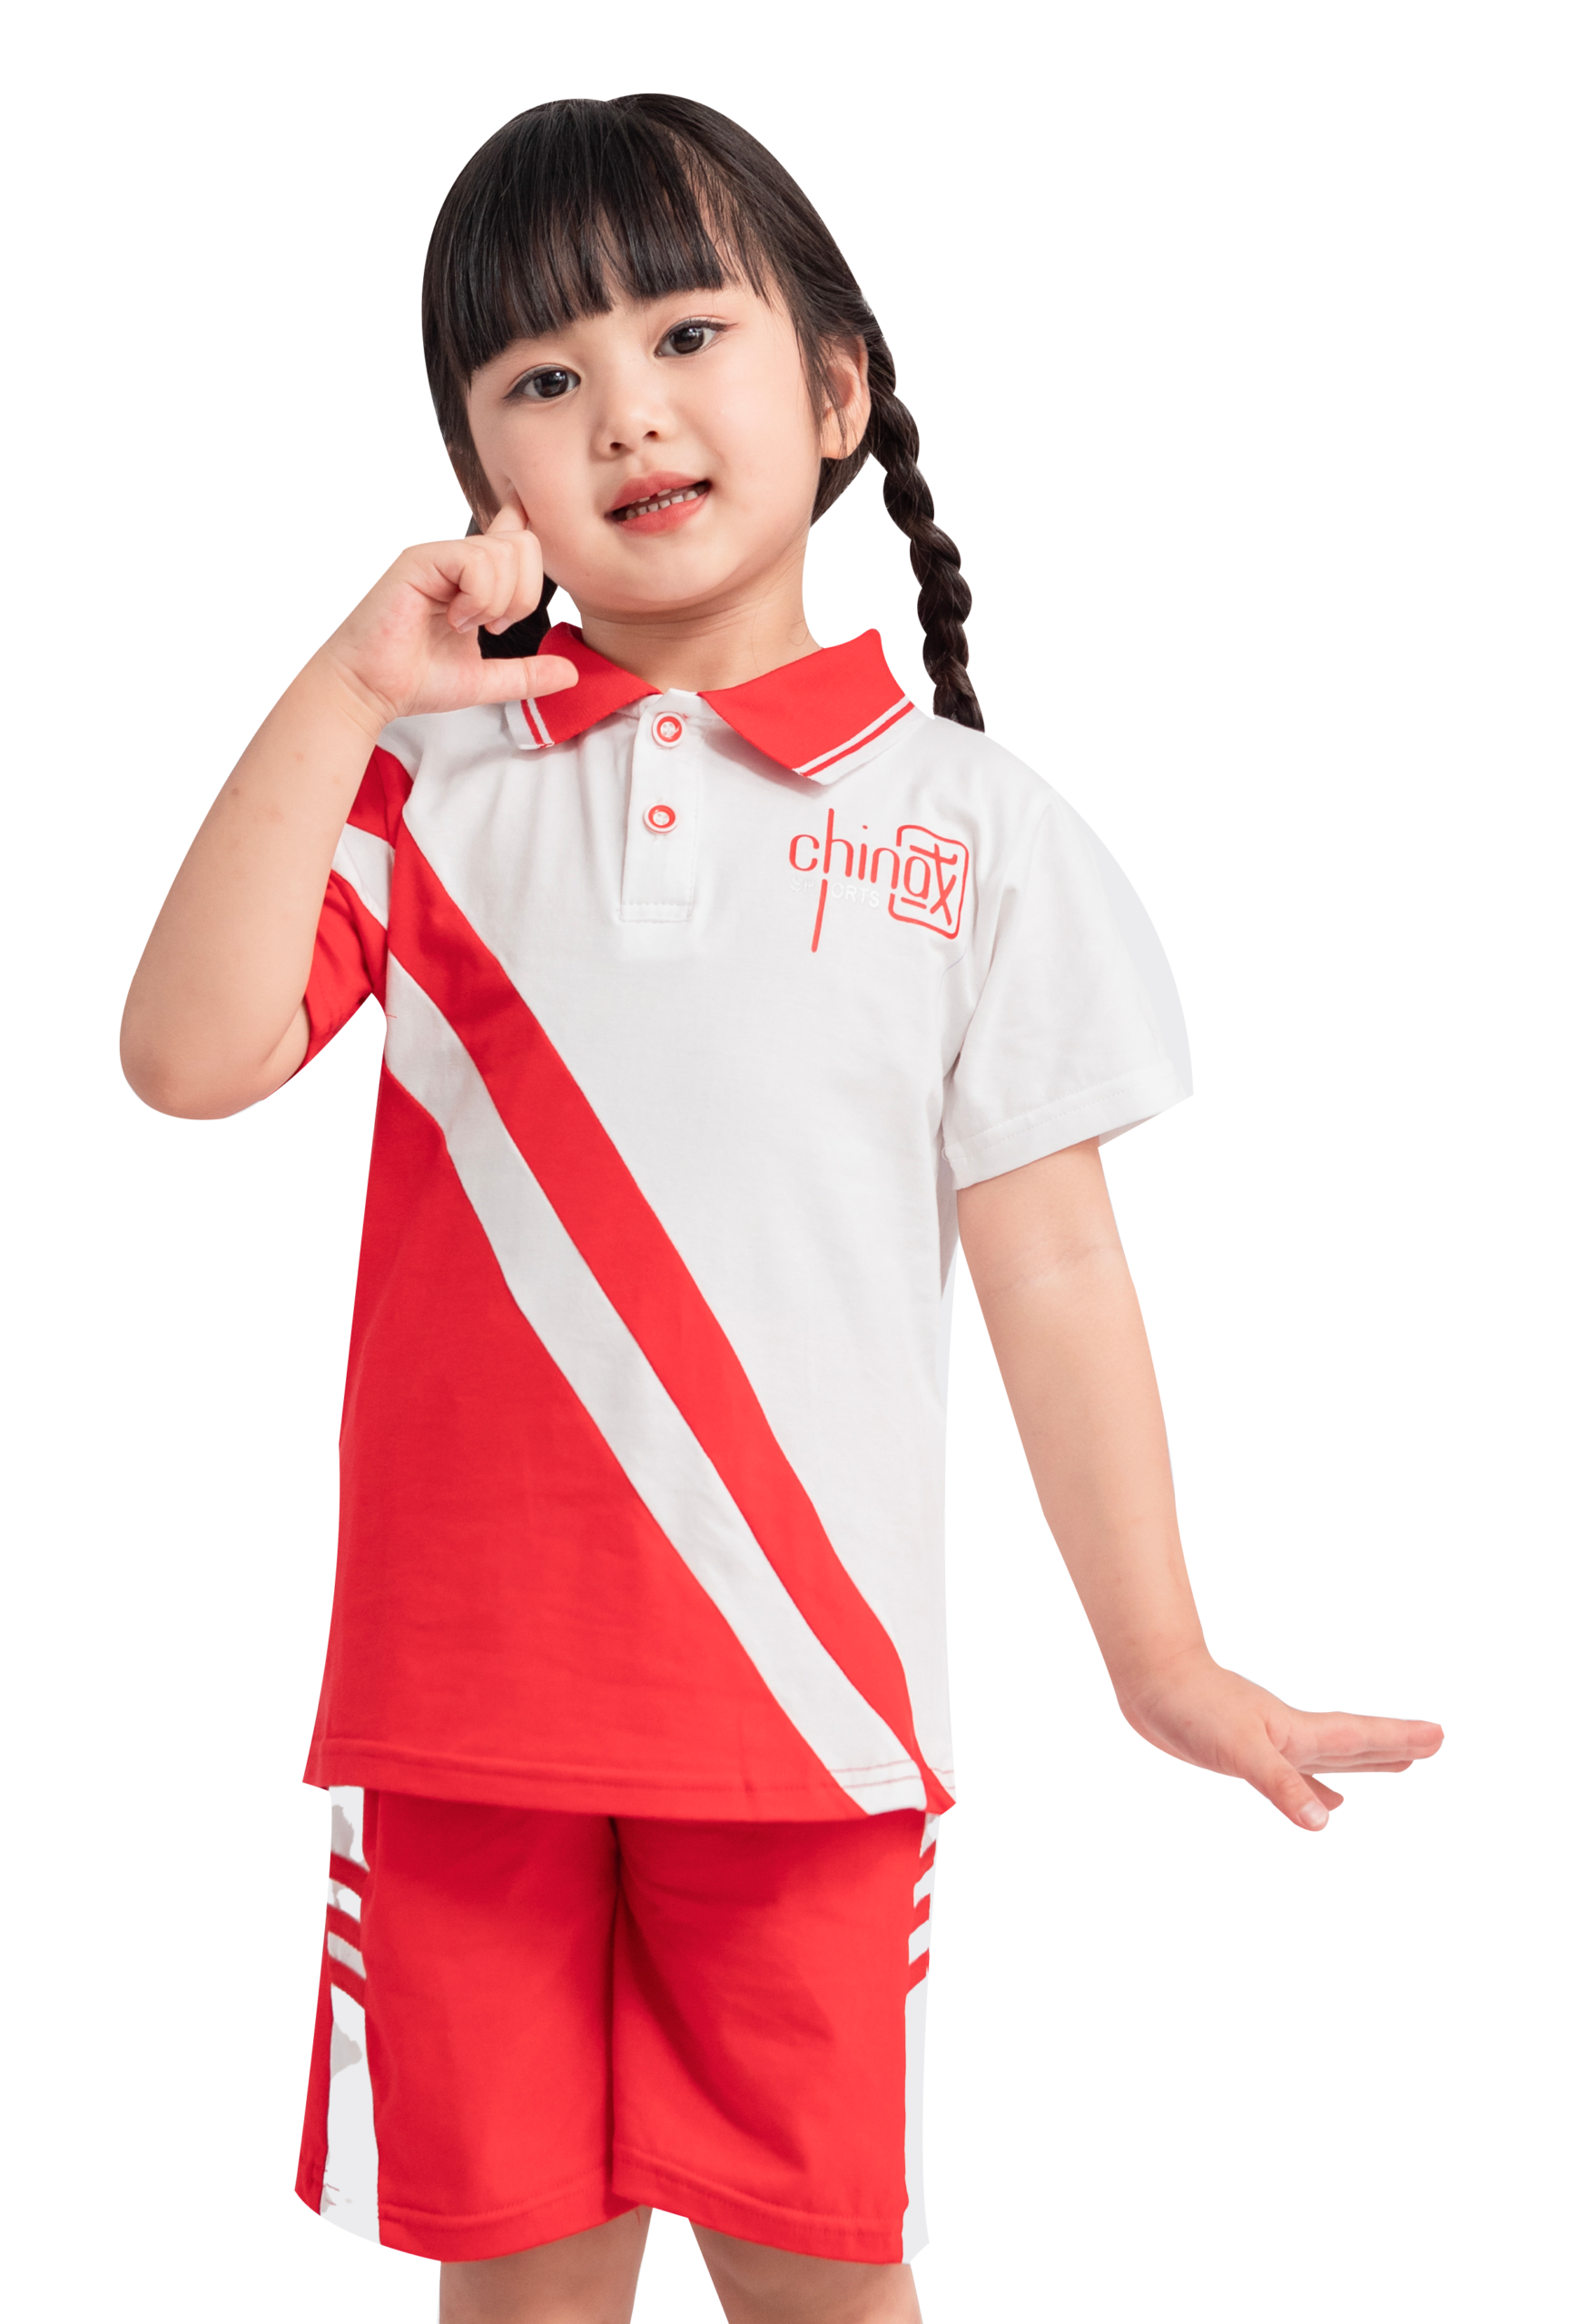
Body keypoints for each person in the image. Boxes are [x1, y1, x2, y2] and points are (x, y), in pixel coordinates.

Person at [118, 93, 1444, 2324]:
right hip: (453, 1716)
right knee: (512, 2292)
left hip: (810, 1721)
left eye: (682, 332)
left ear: (836, 389)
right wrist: (347, 683)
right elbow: (186, 1059)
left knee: (824, 2286)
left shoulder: (978, 833)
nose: (624, 410)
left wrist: (1159, 1657)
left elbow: (1054, 1274)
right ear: (480, 483)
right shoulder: (419, 775)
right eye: (543, 376)